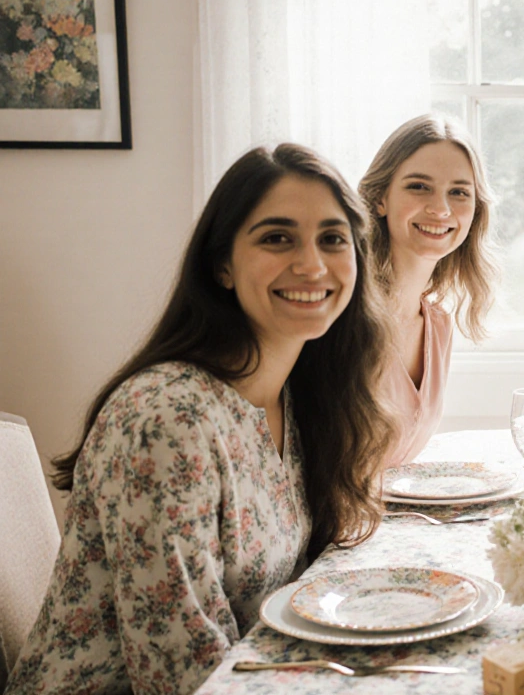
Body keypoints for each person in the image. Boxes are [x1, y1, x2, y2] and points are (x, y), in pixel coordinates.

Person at [6, 145, 394, 694]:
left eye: (332, 238)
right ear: (222, 267)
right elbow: (179, 676)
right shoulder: (165, 420)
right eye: (276, 237)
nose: (312, 264)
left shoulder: (299, 398)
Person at [359, 114, 499, 468]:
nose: (440, 209)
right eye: (419, 186)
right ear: (380, 198)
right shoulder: (347, 315)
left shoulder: (437, 326)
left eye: (458, 192)